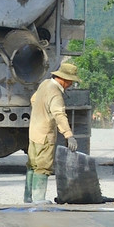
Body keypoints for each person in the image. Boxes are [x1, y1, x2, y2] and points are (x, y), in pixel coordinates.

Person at [25, 62, 80, 203]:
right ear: (64, 79)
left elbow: (33, 99)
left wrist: (41, 112)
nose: (70, 85)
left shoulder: (45, 84)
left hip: (34, 131)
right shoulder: (55, 92)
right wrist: (69, 135)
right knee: (43, 166)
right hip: (45, 135)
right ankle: (38, 199)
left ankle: (28, 197)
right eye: (70, 81)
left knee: (32, 165)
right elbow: (59, 114)